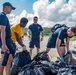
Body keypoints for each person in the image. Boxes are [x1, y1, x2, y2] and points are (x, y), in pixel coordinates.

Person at [0, 2, 16, 75]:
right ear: (6, 7)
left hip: (5, 40)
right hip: (6, 40)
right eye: (11, 8)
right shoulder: (3, 16)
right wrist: (3, 44)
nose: (11, 10)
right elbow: (2, 30)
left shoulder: (2, 16)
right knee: (8, 60)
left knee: (3, 59)